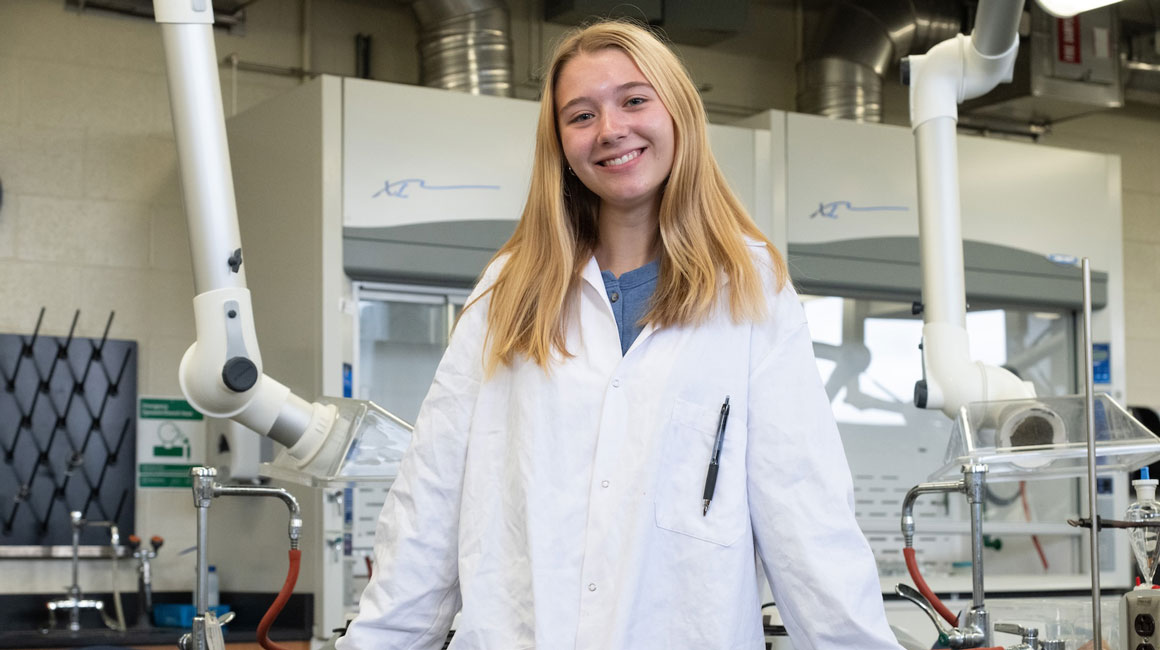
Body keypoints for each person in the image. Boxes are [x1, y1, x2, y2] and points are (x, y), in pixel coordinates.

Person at [337, 19, 902, 650]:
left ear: (679, 113)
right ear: (560, 144)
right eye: (580, 115)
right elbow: (430, 507)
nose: (610, 130)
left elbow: (806, 515)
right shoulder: (509, 289)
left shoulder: (749, 288)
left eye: (634, 100)